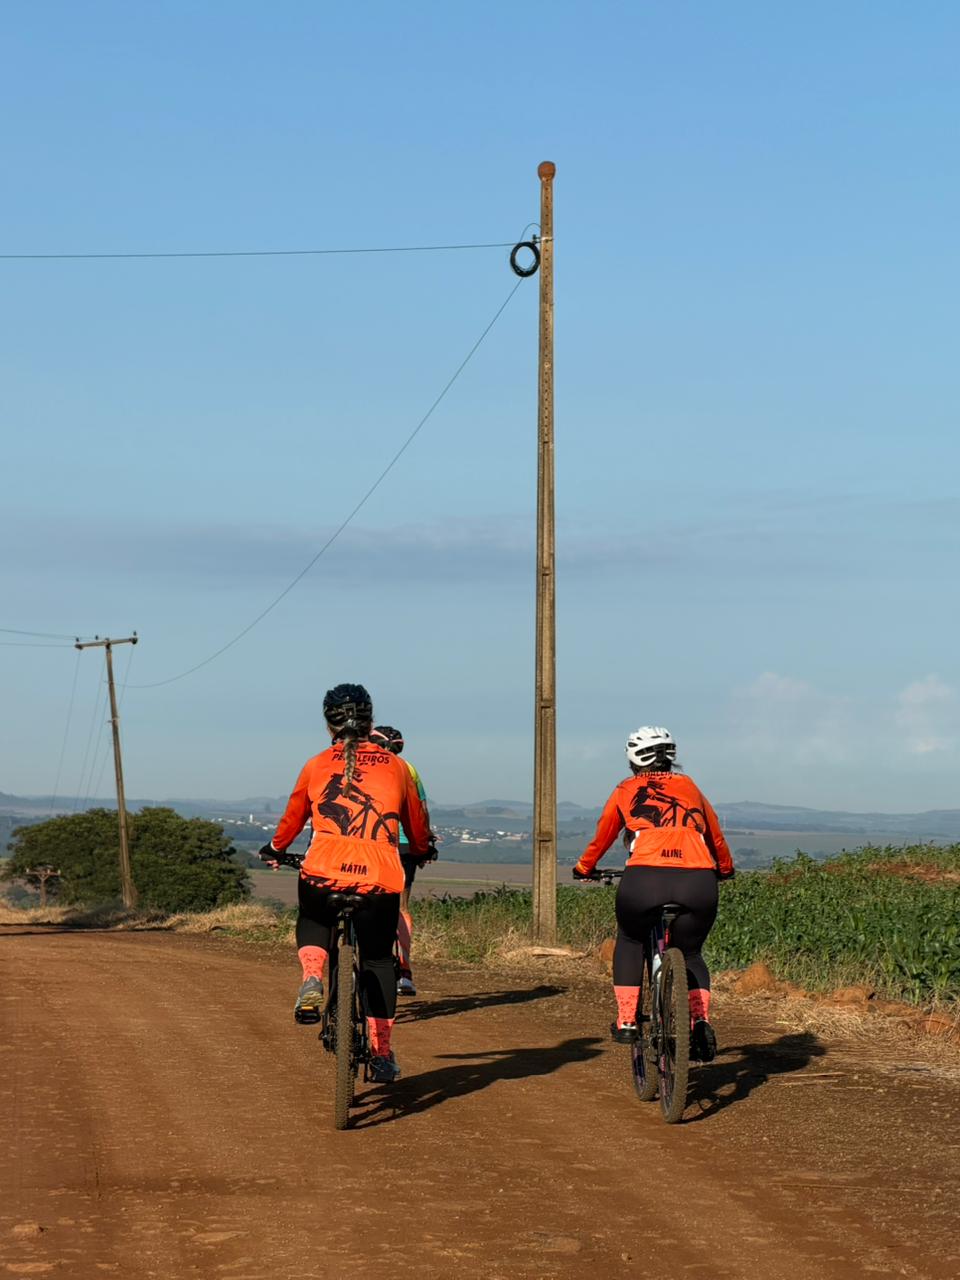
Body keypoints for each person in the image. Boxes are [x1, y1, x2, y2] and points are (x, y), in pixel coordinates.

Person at [259, 683, 431, 1084]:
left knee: (314, 920)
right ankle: (383, 1053)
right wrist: (421, 848)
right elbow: (417, 825)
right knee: (377, 960)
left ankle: (312, 978)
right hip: (379, 879)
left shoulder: (316, 764)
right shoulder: (397, 767)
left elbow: (292, 819)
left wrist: (274, 847)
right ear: (370, 721)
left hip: (322, 871)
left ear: (328, 724)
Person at [573, 726, 734, 1063]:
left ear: (633, 760)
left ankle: (628, 1020)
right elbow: (715, 831)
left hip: (644, 879)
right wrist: (725, 868)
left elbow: (603, 835)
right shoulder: (689, 786)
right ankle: (699, 1020)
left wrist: (584, 868)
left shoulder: (626, 789)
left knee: (631, 940)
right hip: (698, 880)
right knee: (690, 953)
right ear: (671, 757)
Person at [369, 724, 436, 996]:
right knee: (401, 905)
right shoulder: (408, 769)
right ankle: (405, 970)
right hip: (405, 846)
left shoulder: (359, 764)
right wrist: (425, 844)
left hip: (367, 844)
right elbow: (421, 810)